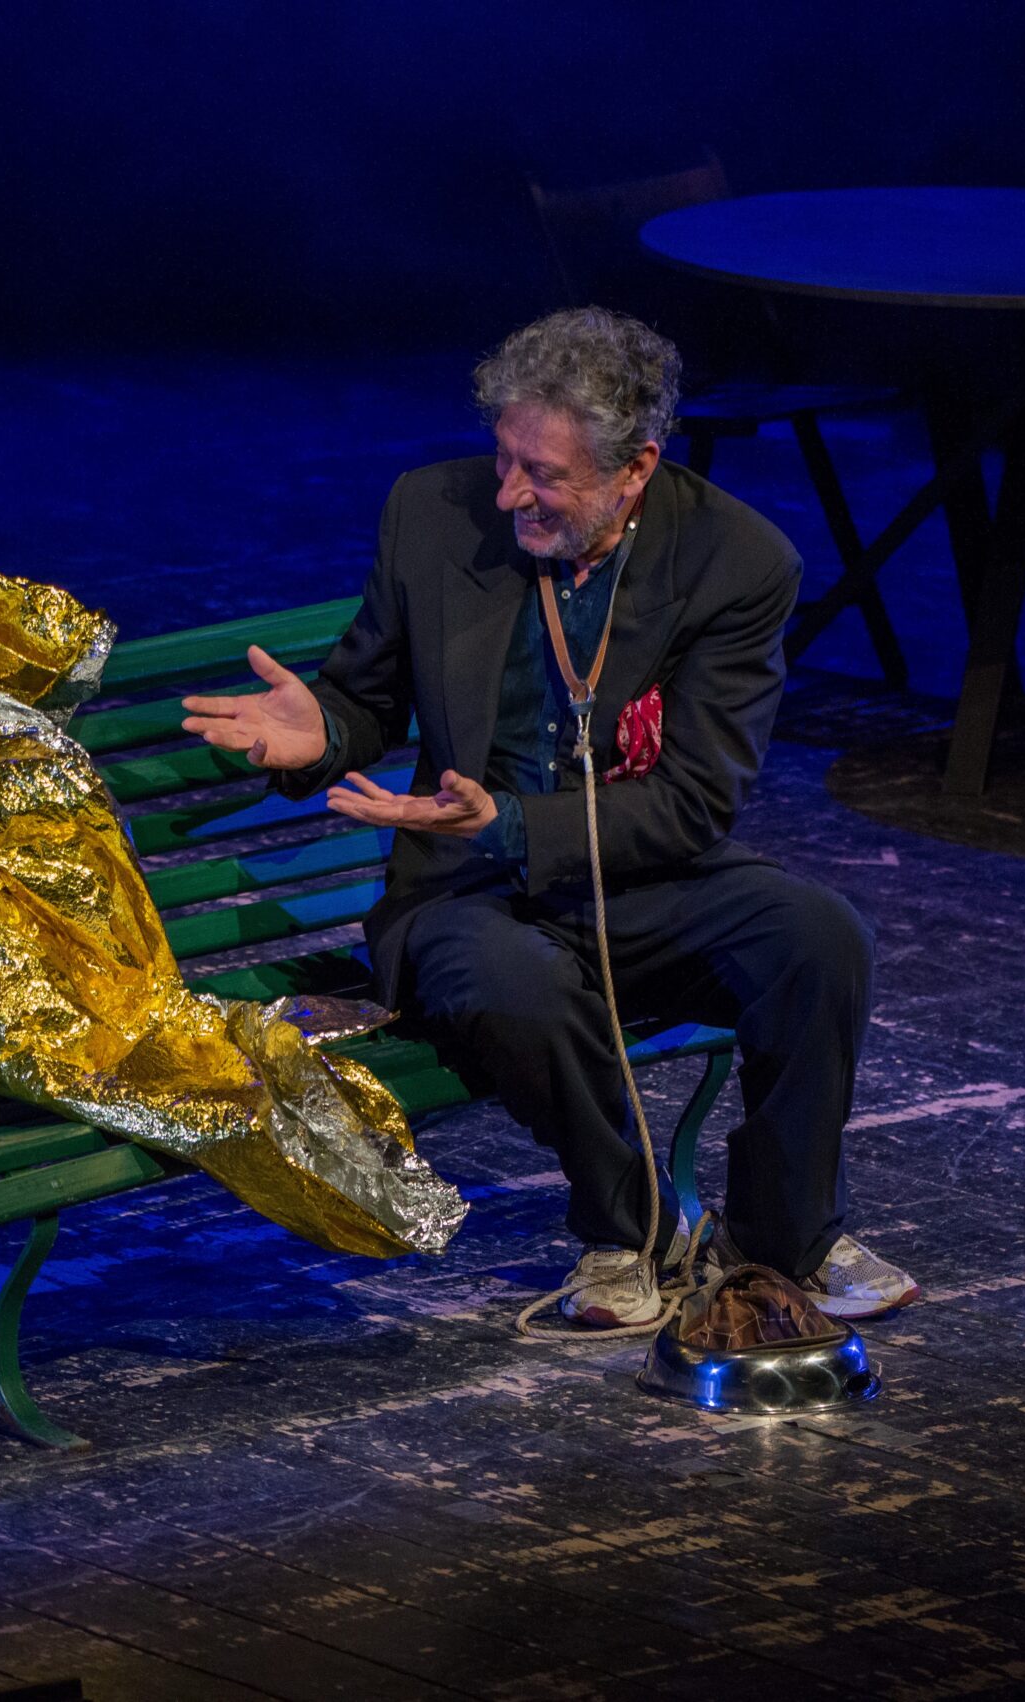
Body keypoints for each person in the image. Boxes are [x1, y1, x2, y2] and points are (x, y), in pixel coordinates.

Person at [180, 307, 913, 1327]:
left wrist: (517, 821)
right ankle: (633, 1232)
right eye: (504, 455)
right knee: (513, 980)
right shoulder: (430, 515)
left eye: (545, 474)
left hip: (638, 880)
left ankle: (783, 1239)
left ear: (635, 467)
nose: (508, 491)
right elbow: (365, 698)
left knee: (819, 938)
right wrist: (326, 732)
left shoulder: (736, 562)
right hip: (463, 896)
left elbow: (696, 801)